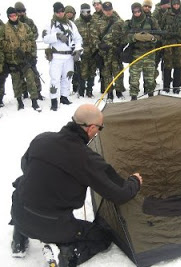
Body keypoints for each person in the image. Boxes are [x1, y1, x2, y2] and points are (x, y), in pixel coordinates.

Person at [9, 103, 143, 266]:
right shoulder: (86, 159)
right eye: (100, 128)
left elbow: (25, 166)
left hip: (18, 212)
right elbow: (119, 194)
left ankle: (19, 238)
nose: (98, 132)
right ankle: (64, 256)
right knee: (103, 237)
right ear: (91, 128)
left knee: (26, 190)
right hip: (53, 226)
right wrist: (134, 182)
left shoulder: (42, 139)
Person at [0, 7, 42, 112]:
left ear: (17, 15)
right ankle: (19, 101)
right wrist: (3, 62)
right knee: (16, 82)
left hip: (26, 60)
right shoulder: (3, 28)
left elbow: (32, 41)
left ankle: (34, 101)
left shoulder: (25, 26)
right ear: (8, 16)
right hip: (12, 60)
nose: (13, 17)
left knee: (31, 80)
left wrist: (33, 56)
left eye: (15, 15)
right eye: (11, 16)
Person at [42, 2, 83, 111]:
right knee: (55, 79)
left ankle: (64, 97)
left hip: (69, 56)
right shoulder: (50, 24)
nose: (60, 13)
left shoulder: (71, 24)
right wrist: (57, 36)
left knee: (67, 77)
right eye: (57, 12)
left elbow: (78, 38)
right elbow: (45, 38)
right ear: (54, 12)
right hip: (56, 56)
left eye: (62, 11)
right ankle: (54, 100)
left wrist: (78, 50)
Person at [124, 2, 161, 100]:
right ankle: (133, 96)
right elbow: (123, 38)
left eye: (138, 11)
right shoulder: (129, 23)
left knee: (150, 78)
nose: (137, 13)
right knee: (134, 78)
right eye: (134, 11)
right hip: (135, 54)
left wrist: (152, 38)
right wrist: (134, 37)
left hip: (149, 53)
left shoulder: (152, 21)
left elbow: (160, 36)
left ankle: (150, 95)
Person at [91, 1, 126, 103]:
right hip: (104, 53)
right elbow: (94, 37)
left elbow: (125, 35)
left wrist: (121, 46)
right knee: (106, 73)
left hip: (116, 52)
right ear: (103, 10)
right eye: (106, 10)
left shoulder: (119, 21)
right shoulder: (98, 22)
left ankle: (119, 92)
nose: (108, 12)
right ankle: (109, 93)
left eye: (109, 10)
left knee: (118, 72)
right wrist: (100, 45)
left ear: (112, 9)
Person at [14, 1, 44, 101]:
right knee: (20, 74)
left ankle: (38, 92)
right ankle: (24, 93)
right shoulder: (12, 24)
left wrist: (27, 42)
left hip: (30, 52)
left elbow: (35, 34)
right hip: (18, 53)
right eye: (19, 11)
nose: (21, 13)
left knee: (34, 73)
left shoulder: (29, 22)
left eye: (23, 11)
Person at [160, 0, 181, 93]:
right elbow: (161, 28)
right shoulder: (166, 14)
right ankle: (166, 86)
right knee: (167, 65)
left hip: (180, 44)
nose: (176, 6)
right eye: (174, 4)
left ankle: (176, 87)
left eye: (178, 4)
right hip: (168, 44)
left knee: (179, 65)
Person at [75, 3, 97, 98]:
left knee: (92, 72)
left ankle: (90, 90)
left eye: (88, 11)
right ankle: (81, 91)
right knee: (82, 72)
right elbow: (74, 38)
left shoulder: (94, 21)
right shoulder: (77, 23)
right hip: (83, 52)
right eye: (84, 11)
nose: (86, 13)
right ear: (81, 12)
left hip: (93, 51)